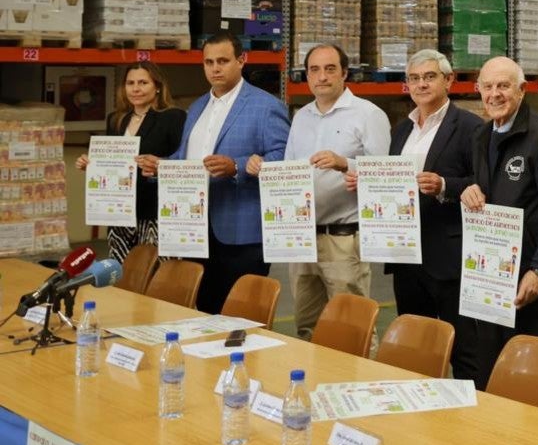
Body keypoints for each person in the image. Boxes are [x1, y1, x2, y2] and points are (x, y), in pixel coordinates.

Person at [346, 49, 483, 381]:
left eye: (430, 76)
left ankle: (471, 419)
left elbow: (484, 181)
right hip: (407, 254)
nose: (421, 84)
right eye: (414, 78)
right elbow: (394, 182)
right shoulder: (401, 131)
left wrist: (444, 185)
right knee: (415, 344)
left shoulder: (470, 127)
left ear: (449, 80)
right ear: (407, 85)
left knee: (464, 348)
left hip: (449, 254)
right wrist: (368, 183)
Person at [247, 44, 389, 339]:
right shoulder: (301, 117)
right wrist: (263, 168)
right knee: (307, 327)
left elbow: (386, 178)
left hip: (343, 240)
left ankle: (358, 383)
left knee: (352, 330)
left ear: (345, 73)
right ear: (306, 75)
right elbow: (288, 173)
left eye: (329, 69)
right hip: (301, 239)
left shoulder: (367, 114)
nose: (321, 77)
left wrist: (345, 164)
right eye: (314, 70)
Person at [460, 56, 538, 389]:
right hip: (491, 277)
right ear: (478, 90)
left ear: (522, 90)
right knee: (489, 372)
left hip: (530, 281)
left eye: (504, 86)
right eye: (488, 86)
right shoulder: (482, 136)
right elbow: (486, 189)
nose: (495, 94)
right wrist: (469, 189)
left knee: (531, 378)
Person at [155, 32, 289, 313]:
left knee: (242, 317)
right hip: (196, 230)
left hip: (242, 233)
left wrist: (237, 167)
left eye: (223, 61)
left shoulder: (266, 106)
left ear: (242, 60)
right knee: (204, 310)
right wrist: (159, 166)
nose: (215, 68)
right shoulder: (196, 107)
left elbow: (283, 159)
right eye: (208, 62)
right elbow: (185, 158)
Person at [75, 61, 186, 262]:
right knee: (121, 274)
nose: (135, 89)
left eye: (143, 83)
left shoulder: (173, 117)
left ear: (158, 87)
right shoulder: (116, 119)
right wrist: (91, 165)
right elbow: (109, 162)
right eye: (130, 83)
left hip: (154, 211)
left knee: (155, 274)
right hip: (119, 212)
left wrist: (160, 164)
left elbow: (183, 161)